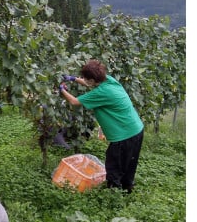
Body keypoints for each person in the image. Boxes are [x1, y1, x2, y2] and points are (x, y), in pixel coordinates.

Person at [59, 59, 144, 194]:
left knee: (114, 166)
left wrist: (62, 89)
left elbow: (74, 101)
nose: (85, 81)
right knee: (129, 164)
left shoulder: (101, 93)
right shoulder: (108, 80)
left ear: (93, 80)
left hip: (123, 135)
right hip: (136, 129)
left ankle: (113, 196)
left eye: (86, 78)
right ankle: (127, 190)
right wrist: (73, 79)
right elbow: (88, 84)